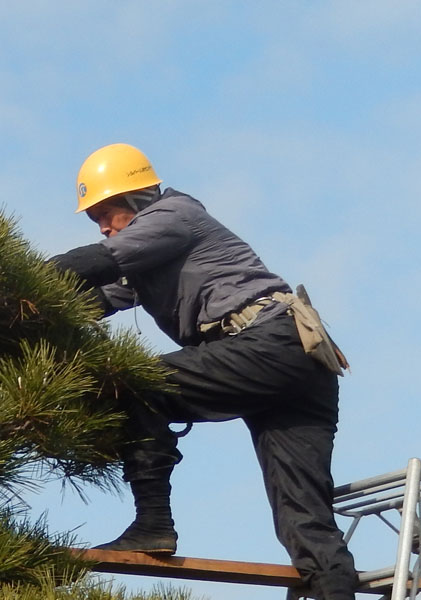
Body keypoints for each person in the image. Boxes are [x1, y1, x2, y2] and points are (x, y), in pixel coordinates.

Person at [48, 144, 356, 599]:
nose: (105, 227)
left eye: (107, 213)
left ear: (137, 200)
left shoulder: (174, 214)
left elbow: (91, 264)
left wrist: (10, 281)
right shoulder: (149, 256)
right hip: (299, 357)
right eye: (95, 220)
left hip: (269, 342)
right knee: (305, 520)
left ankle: (152, 524)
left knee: (134, 385)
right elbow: (88, 299)